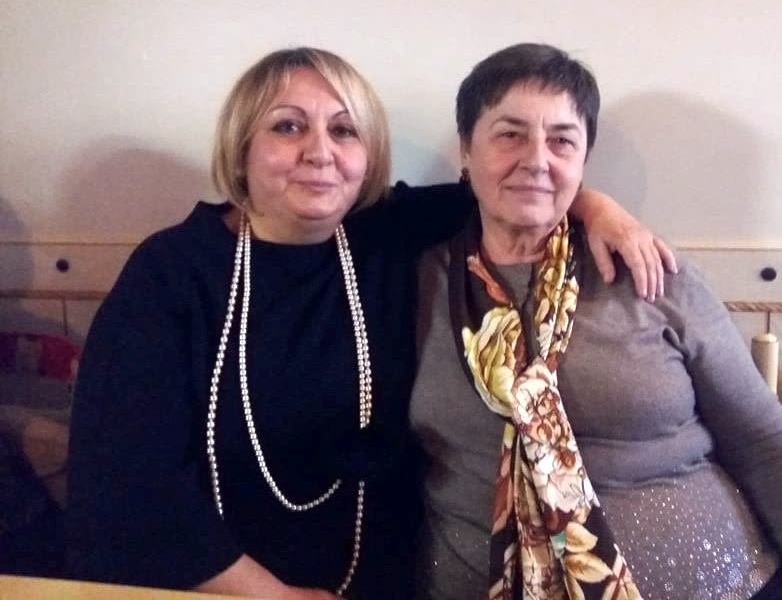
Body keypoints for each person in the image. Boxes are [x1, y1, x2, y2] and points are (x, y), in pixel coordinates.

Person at [66, 47, 674, 599]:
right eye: (288, 127)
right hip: (214, 587)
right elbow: (127, 480)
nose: (320, 152)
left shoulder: (387, 233)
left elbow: (516, 185)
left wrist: (600, 209)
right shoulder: (172, 274)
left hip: (388, 582)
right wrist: (270, 595)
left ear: (368, 154)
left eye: (344, 130)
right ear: (241, 146)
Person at [411, 43, 782, 600]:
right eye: (510, 135)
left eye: (562, 140)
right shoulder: (416, 283)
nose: (537, 159)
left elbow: (762, 441)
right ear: (467, 147)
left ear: (585, 158)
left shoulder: (651, 273)